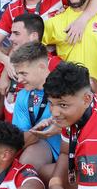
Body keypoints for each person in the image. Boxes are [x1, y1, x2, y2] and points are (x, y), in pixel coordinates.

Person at [10, 42, 62, 172]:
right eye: (18, 74)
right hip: (44, 147)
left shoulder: (66, 88)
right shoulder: (22, 96)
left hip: (75, 149)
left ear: (41, 67)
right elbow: (20, 141)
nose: (19, 79)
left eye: (24, 73)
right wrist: (36, 130)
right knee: (27, 164)